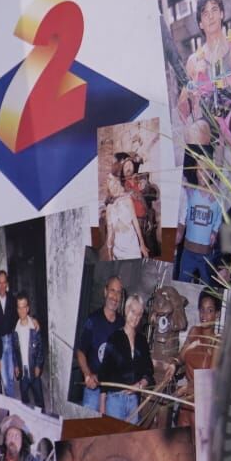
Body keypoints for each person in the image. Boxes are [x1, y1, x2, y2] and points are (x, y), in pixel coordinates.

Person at [177, 0, 231, 170]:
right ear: (200, 23)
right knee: (195, 131)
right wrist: (191, 86)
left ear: (222, 13)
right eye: (205, 13)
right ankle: (207, 183)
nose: (211, 16)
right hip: (211, 117)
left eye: (214, 9)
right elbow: (182, 110)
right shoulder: (194, 60)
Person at [101, 291, 155, 422]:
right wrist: (102, 405)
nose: (135, 317)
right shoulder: (114, 338)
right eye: (132, 311)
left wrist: (141, 385)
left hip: (133, 402)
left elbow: (149, 370)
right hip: (115, 400)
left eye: (139, 314)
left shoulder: (142, 341)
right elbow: (104, 372)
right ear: (126, 310)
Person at [73, 275, 123, 411]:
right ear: (105, 292)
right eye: (112, 290)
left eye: (119, 292)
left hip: (112, 389)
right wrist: (87, 374)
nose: (115, 296)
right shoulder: (93, 320)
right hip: (93, 388)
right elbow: (80, 352)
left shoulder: (122, 324)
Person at [12, 292, 44, 410]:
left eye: (24, 307)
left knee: (39, 400)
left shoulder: (34, 328)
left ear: (28, 308)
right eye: (19, 307)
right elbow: (14, 351)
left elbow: (40, 349)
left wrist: (38, 365)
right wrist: (16, 365)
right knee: (24, 400)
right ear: (17, 309)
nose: (21, 311)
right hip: (23, 372)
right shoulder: (15, 330)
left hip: (34, 370)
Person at [102, 172, 146, 259]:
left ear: (118, 183)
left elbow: (135, 222)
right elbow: (110, 233)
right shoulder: (109, 208)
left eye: (114, 182)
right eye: (111, 185)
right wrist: (110, 253)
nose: (114, 187)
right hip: (118, 249)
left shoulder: (127, 200)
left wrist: (142, 243)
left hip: (132, 245)